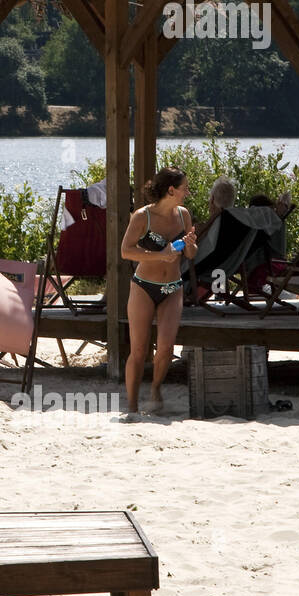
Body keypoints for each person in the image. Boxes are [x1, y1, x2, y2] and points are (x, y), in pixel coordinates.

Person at [120, 166, 197, 416]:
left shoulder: (184, 215)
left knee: (165, 348)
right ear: (171, 190)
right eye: (184, 188)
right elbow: (125, 251)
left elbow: (190, 254)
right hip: (143, 286)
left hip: (173, 287)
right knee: (139, 350)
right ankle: (131, 407)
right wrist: (158, 255)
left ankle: (155, 388)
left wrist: (190, 245)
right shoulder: (143, 216)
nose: (187, 192)